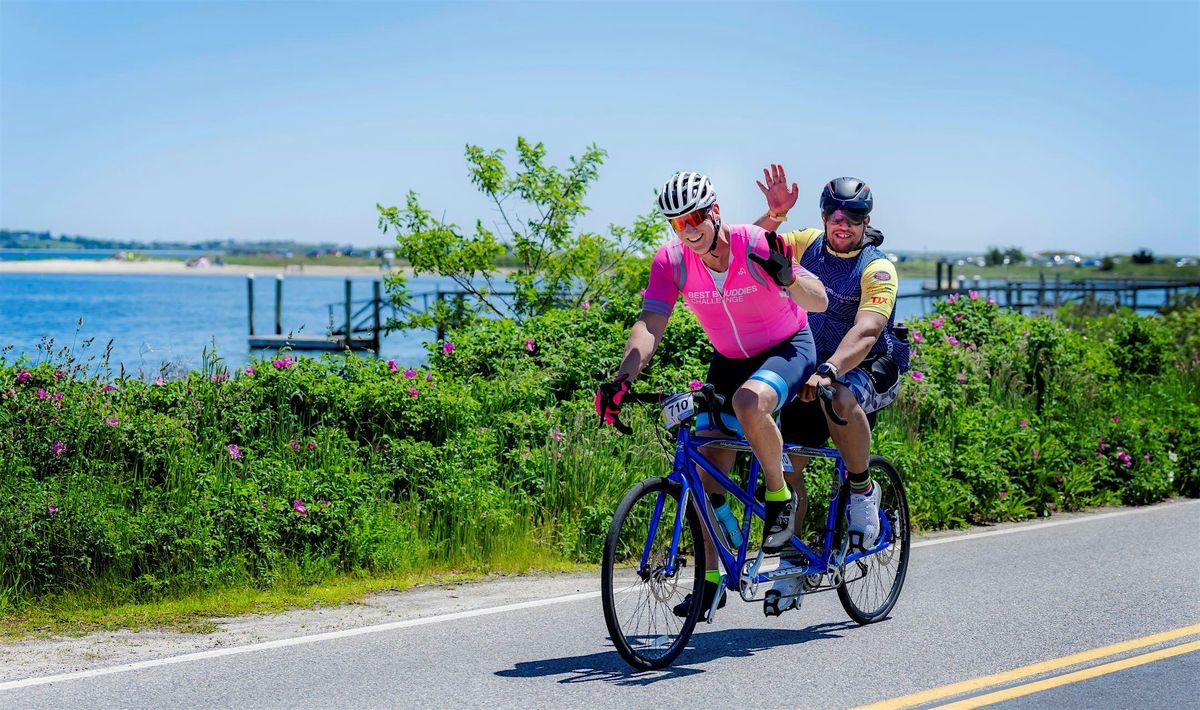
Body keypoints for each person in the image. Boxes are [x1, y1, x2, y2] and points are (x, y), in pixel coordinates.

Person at [596, 171, 828, 618]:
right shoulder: (672, 262)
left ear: (715, 211)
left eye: (698, 217)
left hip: (788, 347)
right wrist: (623, 376)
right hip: (729, 362)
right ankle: (711, 580)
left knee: (748, 402)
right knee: (703, 480)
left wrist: (787, 277)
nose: (691, 229)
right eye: (680, 223)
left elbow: (818, 301)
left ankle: (780, 500)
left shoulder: (754, 243)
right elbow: (650, 323)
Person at [752, 164, 910, 615]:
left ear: (866, 223)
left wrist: (829, 369)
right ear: (824, 218)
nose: (843, 224)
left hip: (870, 365)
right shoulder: (805, 244)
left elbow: (866, 331)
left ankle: (862, 492)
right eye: (835, 216)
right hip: (811, 369)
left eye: (853, 218)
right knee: (789, 468)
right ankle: (794, 563)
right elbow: (748, 250)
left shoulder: (876, 268)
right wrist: (774, 215)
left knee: (841, 396)